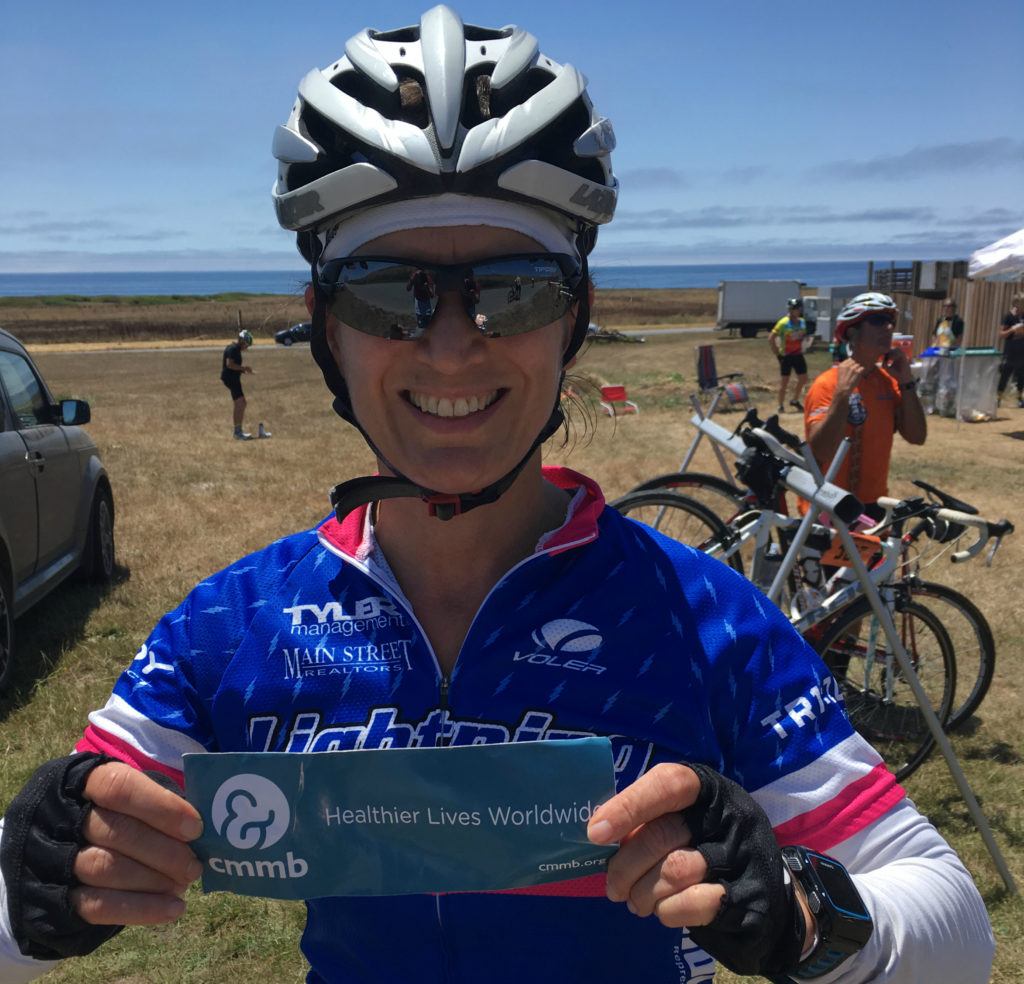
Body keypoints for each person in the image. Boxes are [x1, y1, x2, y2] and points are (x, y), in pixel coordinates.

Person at [0, 9, 993, 984]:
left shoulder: (699, 620)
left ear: (575, 316)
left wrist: (805, 915)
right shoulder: (233, 627)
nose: (450, 344)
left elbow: (952, 929)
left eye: (514, 286)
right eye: (388, 291)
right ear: (324, 325)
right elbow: (36, 889)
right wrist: (31, 883)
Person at [805, 293, 927, 514]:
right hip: (828, 505)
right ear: (853, 331)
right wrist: (842, 395)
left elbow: (917, 437)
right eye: (878, 321)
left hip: (874, 505)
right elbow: (820, 451)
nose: (888, 328)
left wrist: (907, 382)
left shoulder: (888, 383)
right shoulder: (827, 384)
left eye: (890, 322)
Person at [769, 298, 812, 413]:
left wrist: (805, 341)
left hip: (798, 354)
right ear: (791, 310)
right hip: (786, 356)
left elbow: (803, 335)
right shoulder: (783, 322)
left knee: (803, 379)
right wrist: (777, 353)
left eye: (799, 309)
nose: (799, 311)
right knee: (784, 382)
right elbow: (771, 338)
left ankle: (795, 400)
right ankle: (780, 405)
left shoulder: (802, 321)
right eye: (796, 309)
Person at [221, 328, 255, 439]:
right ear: (242, 341)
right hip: (231, 378)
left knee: (241, 403)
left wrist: (244, 370)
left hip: (232, 377)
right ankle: (237, 432)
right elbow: (229, 365)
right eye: (247, 344)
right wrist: (243, 368)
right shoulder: (233, 349)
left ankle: (238, 431)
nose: (247, 347)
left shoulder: (235, 349)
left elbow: (234, 366)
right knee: (240, 403)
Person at [997, 294, 1024, 408]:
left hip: (1022, 351)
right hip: (1010, 351)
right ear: (1015, 304)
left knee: (1021, 376)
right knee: (1005, 375)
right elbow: (1001, 334)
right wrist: (1013, 329)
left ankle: (1019, 399)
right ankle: (998, 398)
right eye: (1021, 304)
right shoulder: (1008, 316)